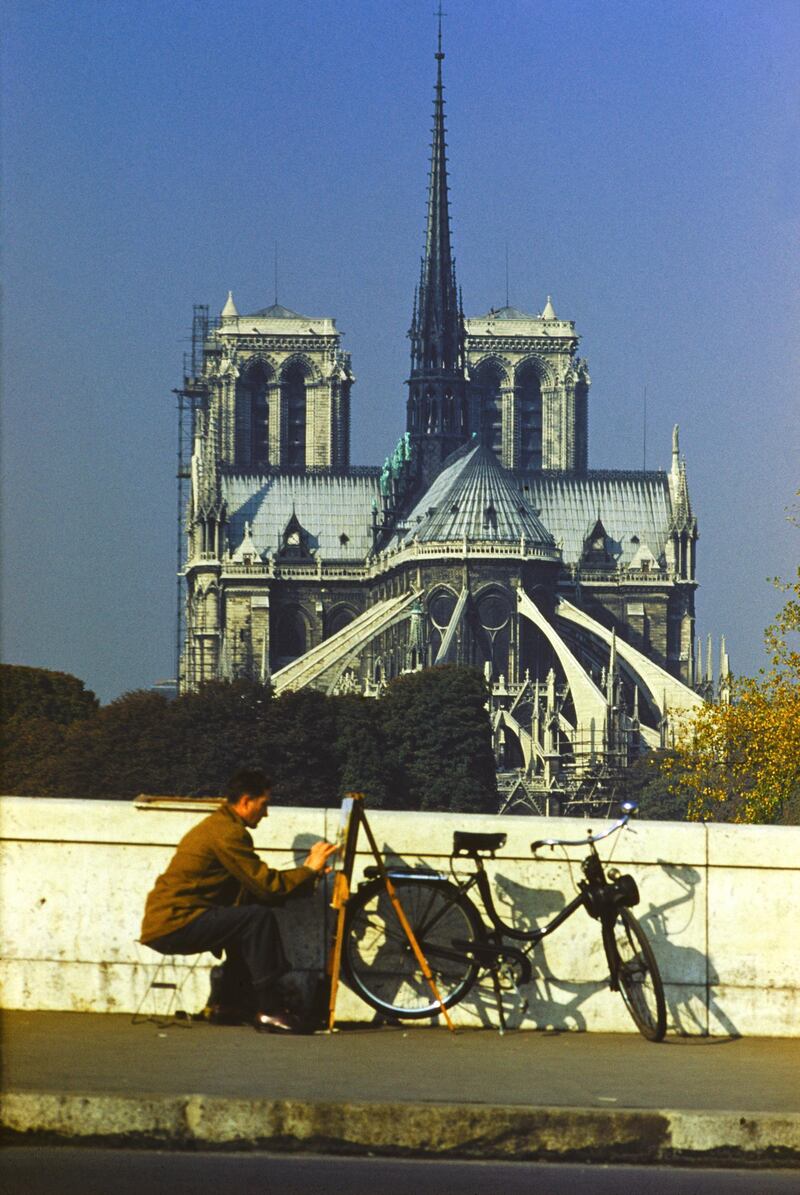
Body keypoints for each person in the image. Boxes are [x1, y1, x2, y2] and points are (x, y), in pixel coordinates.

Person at [140, 767, 338, 1033]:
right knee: (256, 919)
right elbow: (266, 887)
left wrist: (306, 878)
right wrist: (310, 869)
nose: (266, 813)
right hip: (175, 923)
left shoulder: (221, 825)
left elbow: (253, 888)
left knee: (245, 915)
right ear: (246, 801)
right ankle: (270, 1010)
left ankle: (228, 1004)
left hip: (168, 920)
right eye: (264, 804)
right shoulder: (229, 833)